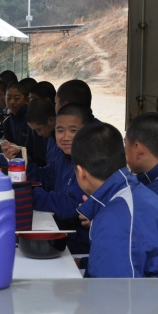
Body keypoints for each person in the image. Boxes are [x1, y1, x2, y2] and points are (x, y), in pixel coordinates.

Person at [73, 122, 158, 278]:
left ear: (81, 172)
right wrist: (84, 263)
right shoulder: (135, 193)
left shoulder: (114, 220)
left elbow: (113, 290)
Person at [32, 103, 91, 254]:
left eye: (73, 131)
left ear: (87, 131)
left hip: (83, 247)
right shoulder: (63, 157)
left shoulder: (91, 164)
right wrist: (22, 162)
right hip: (64, 233)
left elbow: (69, 205)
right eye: (60, 130)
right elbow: (45, 178)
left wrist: (28, 195)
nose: (65, 137)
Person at [25, 98, 57, 180]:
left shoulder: (62, 144)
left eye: (38, 129)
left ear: (51, 121)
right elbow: (48, 174)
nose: (38, 134)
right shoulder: (50, 138)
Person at [0, 81, 30, 160]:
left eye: (17, 98)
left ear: (27, 100)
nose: (12, 102)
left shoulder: (31, 122)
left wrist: (20, 153)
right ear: (4, 99)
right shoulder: (7, 123)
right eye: (9, 98)